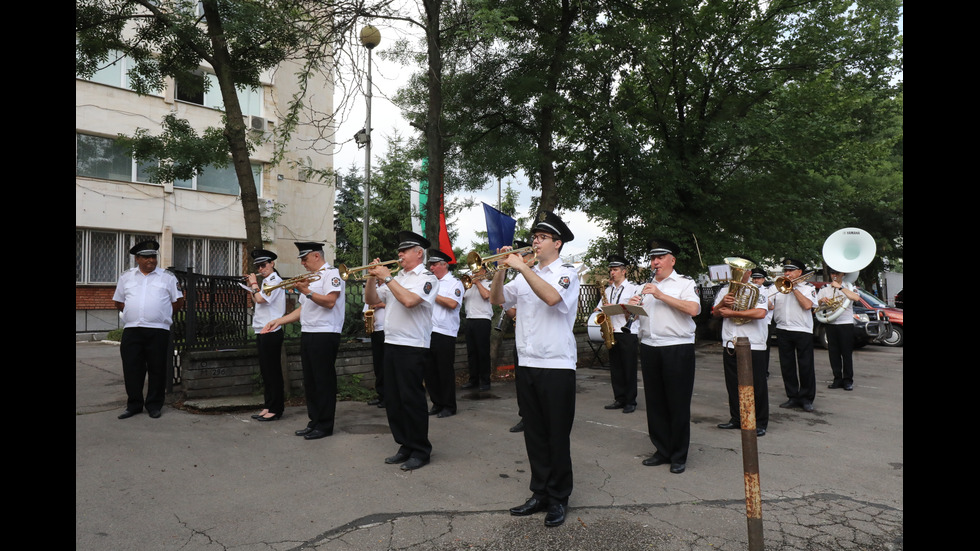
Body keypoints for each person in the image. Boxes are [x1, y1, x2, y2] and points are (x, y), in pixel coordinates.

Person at [491, 211, 580, 528]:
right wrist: (502, 270)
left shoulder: (566, 274)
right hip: (528, 362)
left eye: (542, 238)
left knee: (556, 435)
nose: (535, 242)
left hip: (556, 364)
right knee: (535, 434)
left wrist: (521, 268)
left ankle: (559, 498)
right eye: (535, 237)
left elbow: (553, 298)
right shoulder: (522, 275)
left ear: (557, 243)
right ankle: (540, 492)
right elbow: (498, 299)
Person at [364, 231, 439, 471]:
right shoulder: (397, 277)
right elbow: (372, 300)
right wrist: (371, 278)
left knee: (411, 400)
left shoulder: (427, 278)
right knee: (394, 399)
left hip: (413, 346)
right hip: (392, 343)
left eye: (404, 250)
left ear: (419, 253)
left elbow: (409, 301)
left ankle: (420, 449)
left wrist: (387, 279)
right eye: (399, 250)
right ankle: (404, 444)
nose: (399, 254)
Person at [628, 238, 701, 474]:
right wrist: (632, 308)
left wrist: (660, 295)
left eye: (660, 258)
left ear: (672, 260)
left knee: (677, 402)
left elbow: (693, 309)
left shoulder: (684, 283)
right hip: (650, 345)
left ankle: (679, 454)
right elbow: (640, 317)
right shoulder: (644, 286)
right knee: (656, 402)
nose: (655, 262)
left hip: (676, 347)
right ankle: (662, 449)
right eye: (652, 258)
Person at [262, 242, 345, 440]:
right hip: (309, 332)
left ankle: (325, 425)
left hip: (325, 333)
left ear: (316, 256)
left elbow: (330, 301)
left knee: (323, 380)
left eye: (305, 259)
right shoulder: (309, 278)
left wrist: (306, 291)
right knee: (311, 380)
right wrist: (278, 320)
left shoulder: (331, 274)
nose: (302, 264)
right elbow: (304, 309)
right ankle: (314, 421)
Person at [113, 240, 184, 419]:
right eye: (146, 257)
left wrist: (162, 315)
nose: (151, 260)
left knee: (157, 368)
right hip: (132, 329)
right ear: (137, 259)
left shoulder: (167, 277)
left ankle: (154, 405)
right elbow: (119, 301)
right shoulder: (126, 277)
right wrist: (133, 313)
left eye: (153, 256)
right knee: (132, 368)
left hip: (158, 330)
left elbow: (178, 302)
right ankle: (134, 405)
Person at [712, 257, 770, 437]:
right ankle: (736, 418)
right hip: (730, 342)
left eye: (741, 270)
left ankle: (759, 422)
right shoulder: (724, 290)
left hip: (753, 343)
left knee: (757, 385)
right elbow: (714, 313)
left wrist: (733, 312)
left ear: (749, 273)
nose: (736, 273)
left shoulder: (759, 291)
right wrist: (723, 303)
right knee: (733, 384)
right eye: (733, 269)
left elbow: (760, 313)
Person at [594, 254, 640, 414]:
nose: (612, 273)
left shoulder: (633, 288)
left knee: (628, 368)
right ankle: (619, 398)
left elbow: (636, 310)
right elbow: (599, 308)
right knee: (616, 368)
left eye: (615, 270)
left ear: (624, 271)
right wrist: (600, 309)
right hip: (612, 332)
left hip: (628, 332)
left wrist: (619, 306)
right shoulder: (608, 290)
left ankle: (631, 400)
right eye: (611, 270)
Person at [772, 257, 817, 412]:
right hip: (783, 328)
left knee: (805, 365)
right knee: (787, 365)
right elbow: (770, 305)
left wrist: (794, 289)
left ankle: (806, 398)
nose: (787, 273)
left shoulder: (807, 287)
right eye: (786, 270)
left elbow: (807, 305)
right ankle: (792, 396)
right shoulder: (778, 286)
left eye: (790, 270)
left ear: (799, 272)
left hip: (802, 330)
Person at [246, 249, 286, 421]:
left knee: (273, 371)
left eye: (263, 265)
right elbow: (257, 299)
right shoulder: (265, 282)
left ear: (272, 264)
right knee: (266, 371)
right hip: (262, 329)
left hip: (272, 330)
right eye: (258, 266)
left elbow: (261, 299)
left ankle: (276, 409)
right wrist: (252, 288)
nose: (261, 269)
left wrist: (254, 285)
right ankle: (269, 404)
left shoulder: (274, 280)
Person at [425, 248, 464, 418]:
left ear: (443, 265)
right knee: (430, 371)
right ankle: (437, 402)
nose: (431, 268)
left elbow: (452, 303)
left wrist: (433, 295)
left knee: (444, 371)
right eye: (430, 265)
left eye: (434, 265)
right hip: (428, 331)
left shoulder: (455, 283)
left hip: (445, 333)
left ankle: (449, 405)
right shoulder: (430, 282)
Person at [817, 269, 862, 391]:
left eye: (837, 273)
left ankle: (848, 380)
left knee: (846, 353)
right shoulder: (824, 288)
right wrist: (822, 301)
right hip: (831, 323)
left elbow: (856, 298)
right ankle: (837, 379)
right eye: (832, 274)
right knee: (833, 353)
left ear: (843, 274)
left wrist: (840, 288)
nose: (834, 276)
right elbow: (817, 305)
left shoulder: (849, 287)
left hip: (845, 323)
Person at [461, 269, 493, 392]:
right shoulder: (470, 286)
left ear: (484, 271)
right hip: (470, 320)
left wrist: (478, 283)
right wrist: (465, 285)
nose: (474, 272)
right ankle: (473, 380)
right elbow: (461, 298)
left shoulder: (488, 283)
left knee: (483, 352)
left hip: (482, 320)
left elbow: (486, 296)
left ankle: (485, 381)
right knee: (472, 353)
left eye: (477, 270)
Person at [365, 279, 388, 407]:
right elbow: (367, 305)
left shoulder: (390, 286)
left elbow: (397, 304)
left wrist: (379, 304)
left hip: (386, 329)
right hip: (376, 329)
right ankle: (381, 394)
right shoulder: (372, 288)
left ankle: (388, 397)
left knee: (386, 366)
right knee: (378, 365)